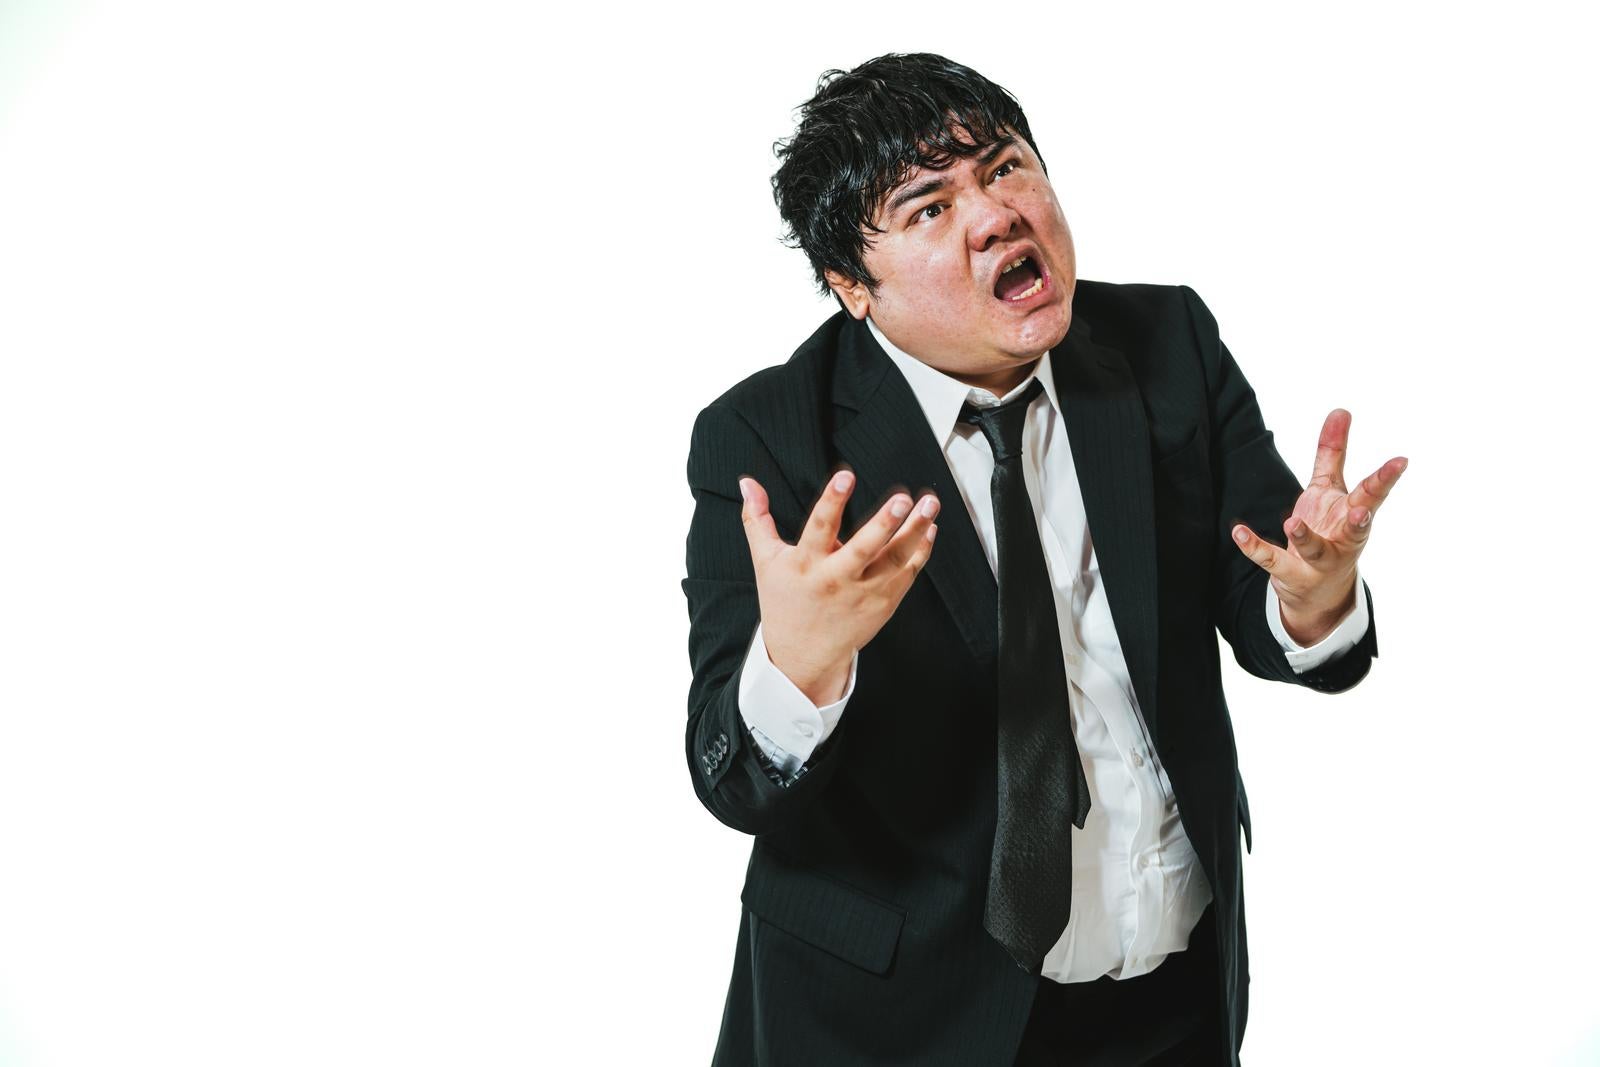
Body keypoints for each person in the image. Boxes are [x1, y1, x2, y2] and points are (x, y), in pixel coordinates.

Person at [681, 52, 1403, 1066]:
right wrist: (796, 665)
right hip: (895, 1024)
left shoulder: (1165, 346)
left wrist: (1318, 598)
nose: (994, 215)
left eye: (1007, 167)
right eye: (929, 208)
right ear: (851, 282)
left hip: (1169, 998)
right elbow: (729, 772)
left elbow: (1269, 586)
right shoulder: (769, 441)